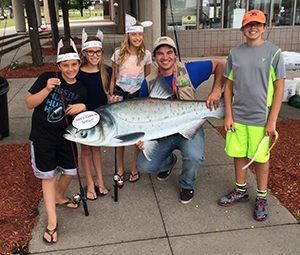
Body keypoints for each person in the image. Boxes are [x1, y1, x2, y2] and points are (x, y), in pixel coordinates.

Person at [136, 36, 225, 204]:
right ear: (155, 57)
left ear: (175, 54)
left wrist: (217, 89)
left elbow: (221, 64)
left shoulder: (190, 69)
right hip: (162, 132)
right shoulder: (148, 83)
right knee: (144, 166)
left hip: (189, 125)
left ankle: (187, 184)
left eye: (169, 52)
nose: (165, 57)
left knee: (194, 157)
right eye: (160, 53)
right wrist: (141, 137)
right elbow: (141, 114)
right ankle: (169, 162)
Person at [218, 10, 285, 221]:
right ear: (242, 29)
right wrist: (228, 115)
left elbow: (280, 88)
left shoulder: (274, 52)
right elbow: (228, 86)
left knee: (261, 158)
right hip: (238, 116)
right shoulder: (235, 53)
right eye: (249, 24)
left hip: (261, 117)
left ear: (265, 28)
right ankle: (240, 190)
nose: (253, 28)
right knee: (239, 153)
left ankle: (262, 196)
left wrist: (272, 119)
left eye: (257, 24)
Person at [26, 39, 87, 244]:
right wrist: (46, 89)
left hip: (65, 138)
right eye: (66, 65)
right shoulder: (47, 77)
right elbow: (29, 103)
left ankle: (60, 197)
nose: (70, 69)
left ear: (79, 64)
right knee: (48, 177)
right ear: (59, 66)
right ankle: (52, 222)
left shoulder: (81, 88)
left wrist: (83, 108)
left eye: (74, 64)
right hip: (42, 138)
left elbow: (82, 119)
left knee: (70, 171)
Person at [109, 14, 152, 183]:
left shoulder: (146, 55)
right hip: (120, 94)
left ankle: (134, 165)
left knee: (135, 133)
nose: (137, 38)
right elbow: (113, 77)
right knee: (120, 133)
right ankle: (120, 166)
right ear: (128, 36)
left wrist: (148, 99)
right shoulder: (118, 54)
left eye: (140, 34)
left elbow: (148, 79)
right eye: (134, 34)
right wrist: (111, 95)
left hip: (137, 96)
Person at [76, 29, 112, 200]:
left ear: (101, 52)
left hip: (100, 116)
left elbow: (111, 93)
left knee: (96, 148)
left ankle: (100, 180)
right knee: (85, 149)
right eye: (90, 52)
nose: (94, 55)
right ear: (83, 52)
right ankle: (89, 183)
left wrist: (112, 97)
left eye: (97, 52)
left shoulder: (107, 71)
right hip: (83, 117)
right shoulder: (78, 73)